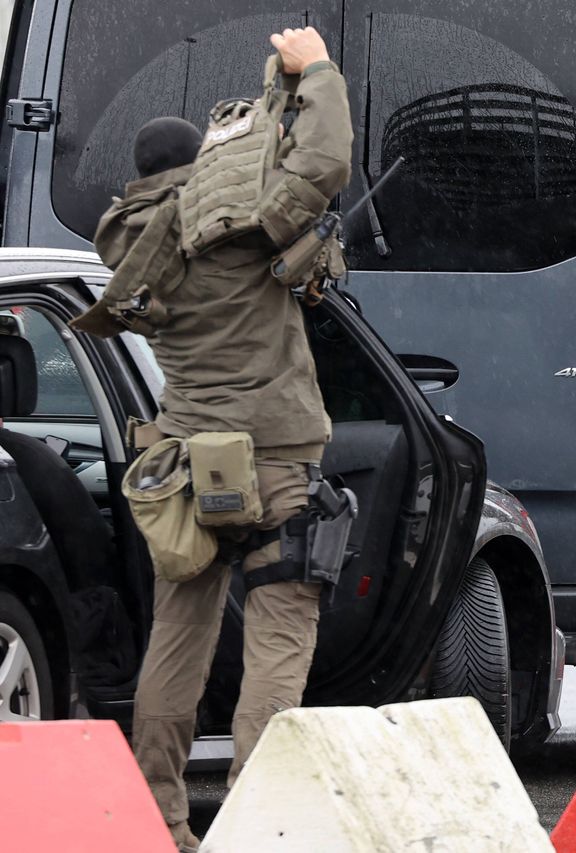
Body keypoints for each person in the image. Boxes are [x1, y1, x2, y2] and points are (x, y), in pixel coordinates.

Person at [79, 27, 352, 851]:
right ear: (199, 162)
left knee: (178, 635)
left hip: (187, 458)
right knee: (279, 635)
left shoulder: (130, 243)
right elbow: (323, 162)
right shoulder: (231, 224)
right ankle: (254, 819)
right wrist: (319, 73)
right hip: (275, 456)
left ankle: (158, 816)